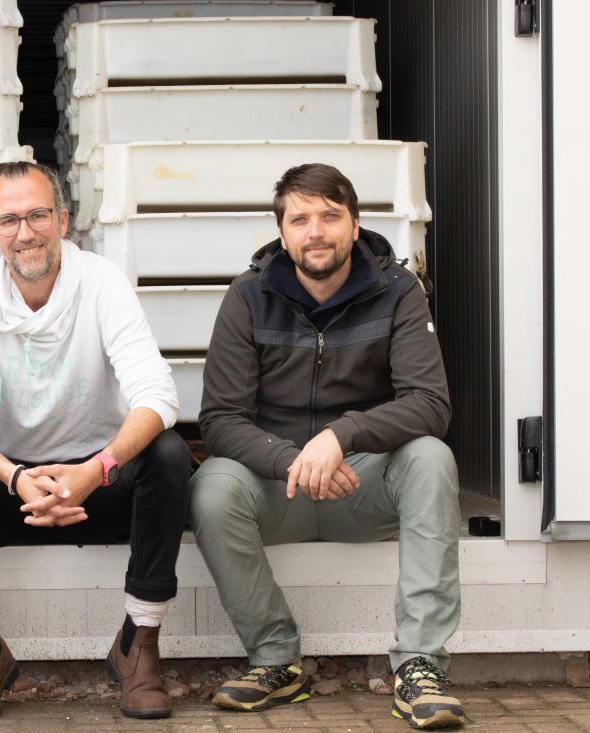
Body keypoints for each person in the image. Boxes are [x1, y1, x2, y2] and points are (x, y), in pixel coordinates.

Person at [0, 162, 191, 720]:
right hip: (8, 489)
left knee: (170, 453)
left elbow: (159, 394)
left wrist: (96, 470)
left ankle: (140, 645)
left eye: (38, 214)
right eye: (9, 219)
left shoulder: (102, 280)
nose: (25, 231)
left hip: (96, 489)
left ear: (62, 219)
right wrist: (14, 475)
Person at [190, 163, 465, 730]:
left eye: (330, 216)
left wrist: (342, 436)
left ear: (356, 224)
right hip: (278, 487)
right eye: (300, 219)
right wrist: (292, 458)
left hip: (361, 485)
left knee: (431, 459)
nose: (316, 231)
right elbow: (219, 420)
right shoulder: (246, 298)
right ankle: (274, 661)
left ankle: (419, 667)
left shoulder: (398, 291)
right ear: (283, 231)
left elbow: (430, 403)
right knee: (212, 486)